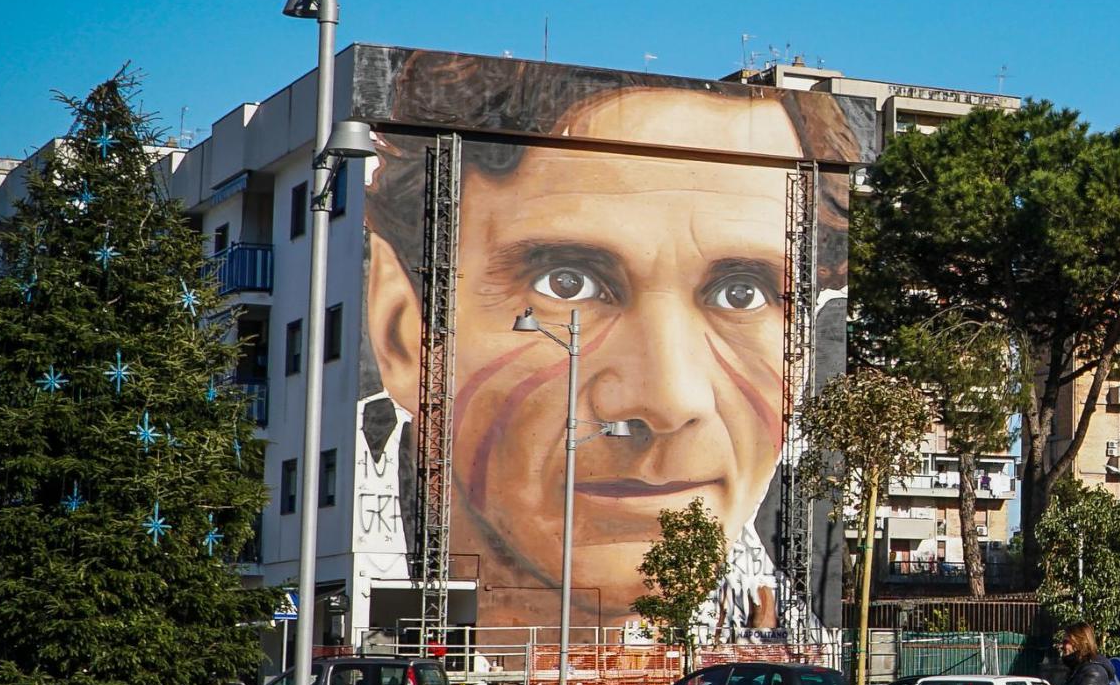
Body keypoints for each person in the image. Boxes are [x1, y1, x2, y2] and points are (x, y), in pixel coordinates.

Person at [359, 51, 862, 638]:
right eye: (566, 283)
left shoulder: (796, 644)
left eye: (742, 293)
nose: (669, 400)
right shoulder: (363, 594)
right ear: (403, 331)